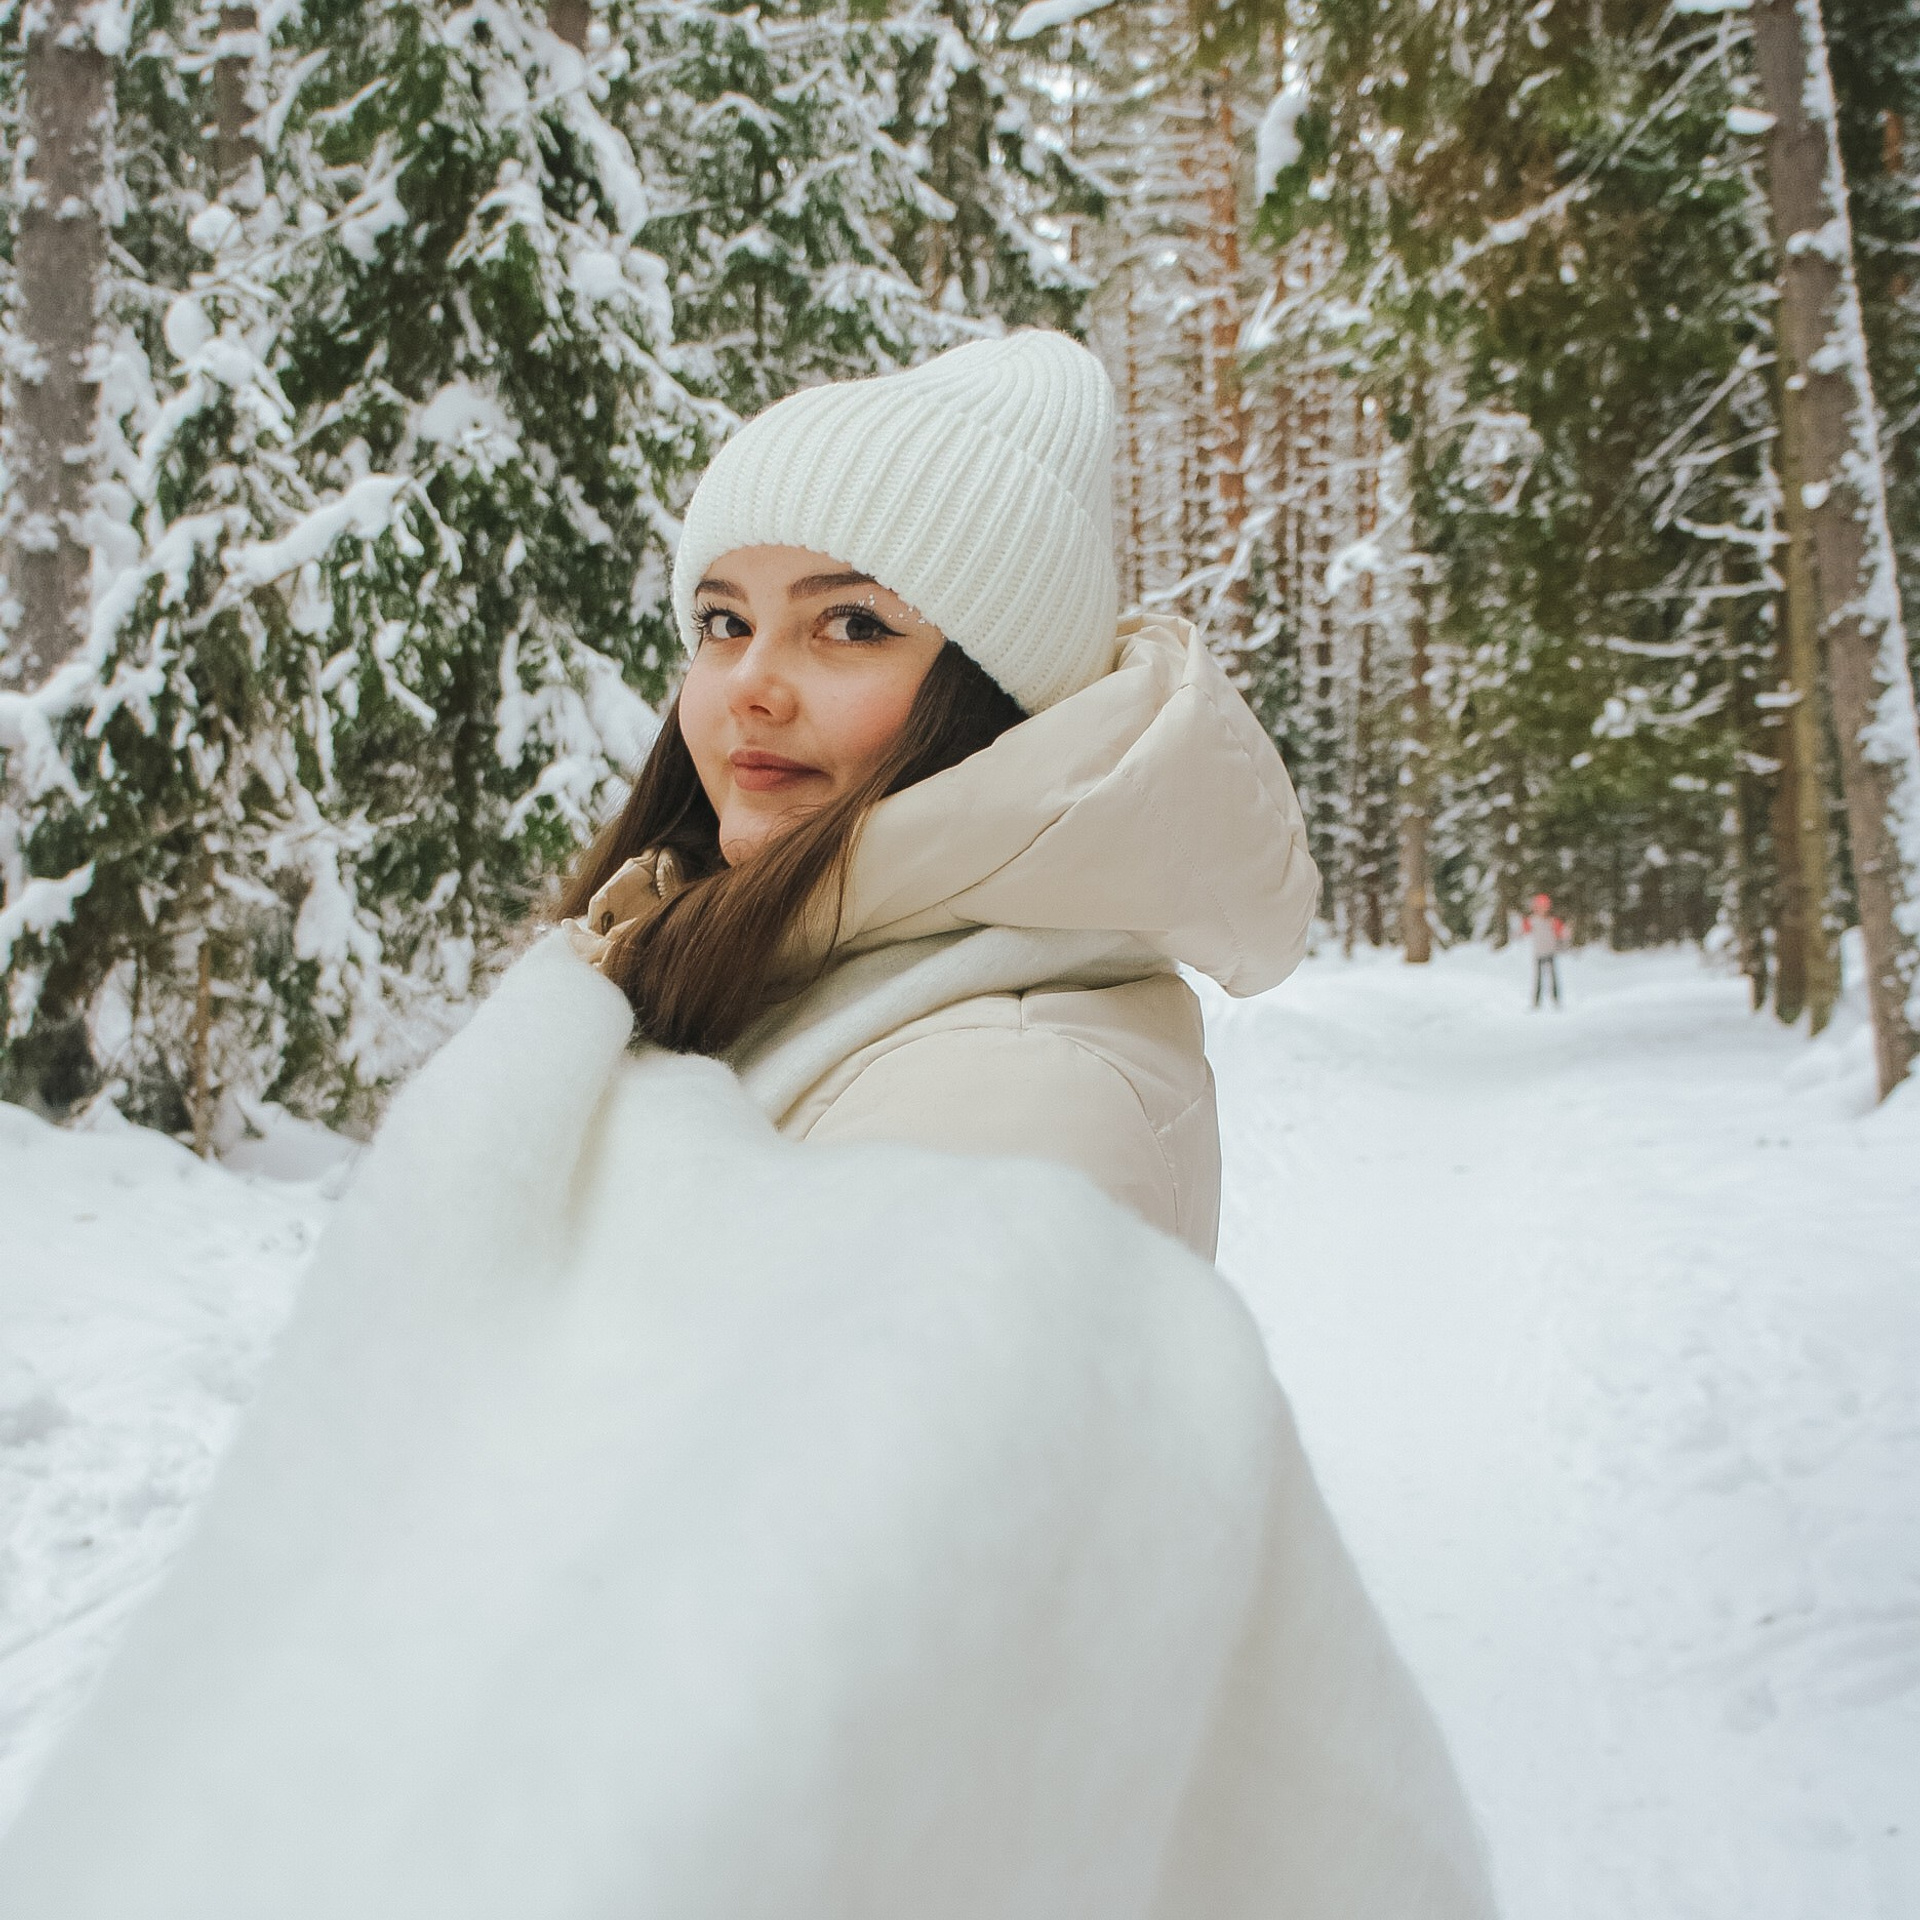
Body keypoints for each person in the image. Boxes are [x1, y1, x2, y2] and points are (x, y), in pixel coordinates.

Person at [557, 327, 1321, 1257]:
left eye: (850, 623)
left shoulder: (1010, 1103)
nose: (751, 682)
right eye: (725, 620)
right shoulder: (737, 956)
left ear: (995, 693)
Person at [1522, 891, 1566, 1006]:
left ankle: (1556, 999)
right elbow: (1524, 930)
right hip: (1538, 953)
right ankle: (1536, 1001)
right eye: (1540, 907)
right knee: (1538, 979)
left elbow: (1561, 933)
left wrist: (1562, 936)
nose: (1542, 909)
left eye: (1544, 907)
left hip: (1551, 952)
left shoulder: (1552, 921)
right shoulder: (1532, 920)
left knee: (1553, 978)